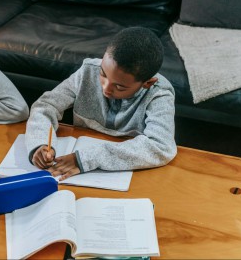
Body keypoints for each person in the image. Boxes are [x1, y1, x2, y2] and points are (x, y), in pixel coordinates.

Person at [25, 27, 176, 180]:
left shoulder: (159, 93)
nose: (106, 88)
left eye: (119, 86)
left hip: (123, 174)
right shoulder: (88, 71)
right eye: (103, 74)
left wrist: (86, 159)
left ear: (147, 83)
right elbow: (46, 105)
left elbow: (161, 146)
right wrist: (40, 143)